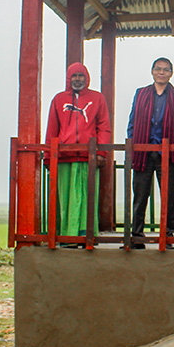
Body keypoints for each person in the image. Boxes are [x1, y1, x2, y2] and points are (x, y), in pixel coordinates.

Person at [127, 57, 174, 247]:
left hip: (167, 153)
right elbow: (132, 122)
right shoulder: (141, 94)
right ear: (152, 71)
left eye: (165, 70)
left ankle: (168, 236)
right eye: (158, 69)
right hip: (143, 152)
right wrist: (135, 143)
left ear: (171, 73)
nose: (161, 73)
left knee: (168, 197)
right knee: (140, 196)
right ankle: (137, 236)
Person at [45, 62, 112, 238]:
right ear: (68, 78)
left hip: (88, 158)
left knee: (87, 196)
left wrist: (101, 153)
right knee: (65, 198)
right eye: (74, 76)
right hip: (63, 157)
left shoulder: (97, 99)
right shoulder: (59, 100)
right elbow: (52, 128)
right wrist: (47, 156)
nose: (77, 79)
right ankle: (67, 235)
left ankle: (87, 235)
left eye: (80, 75)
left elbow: (104, 127)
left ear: (87, 78)